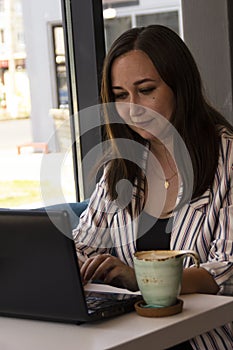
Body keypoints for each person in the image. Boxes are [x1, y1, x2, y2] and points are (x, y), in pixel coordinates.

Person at [73, 25, 233, 349]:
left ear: (179, 85)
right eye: (120, 95)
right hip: (133, 338)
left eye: (146, 90)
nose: (133, 108)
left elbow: (226, 270)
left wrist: (140, 278)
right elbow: (83, 246)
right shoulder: (119, 168)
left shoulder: (227, 160)